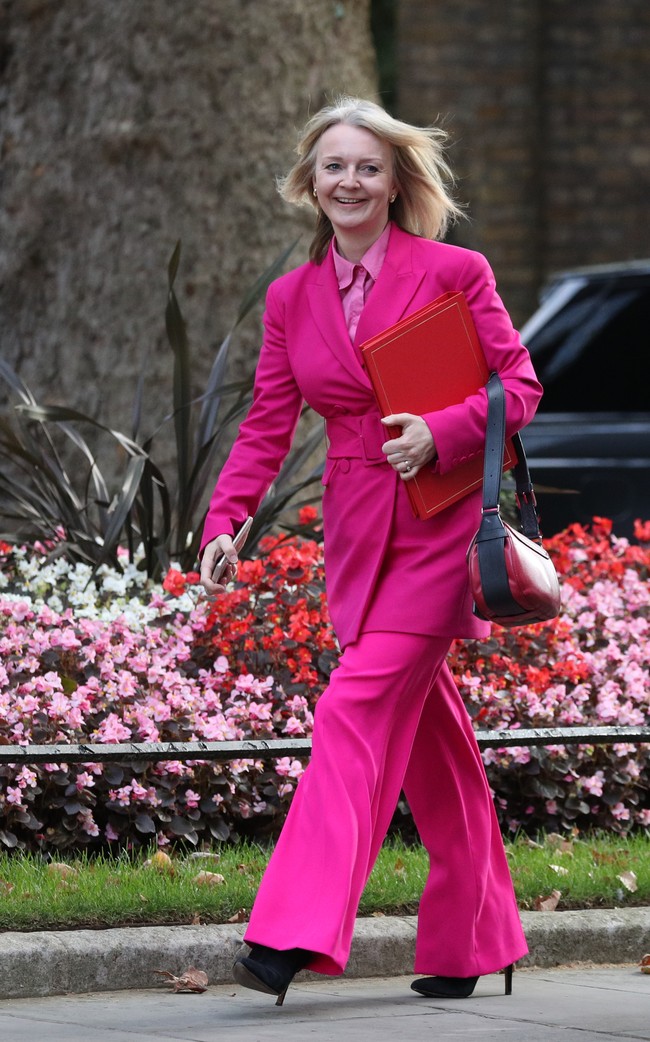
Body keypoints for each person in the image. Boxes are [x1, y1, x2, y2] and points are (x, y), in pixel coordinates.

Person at [199, 96, 542, 1005]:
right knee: (433, 739)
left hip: (440, 523)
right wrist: (226, 522)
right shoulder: (291, 297)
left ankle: (289, 932)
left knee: (352, 713)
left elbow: (519, 384)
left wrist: (441, 430)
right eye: (334, 167)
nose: (349, 181)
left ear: (395, 182)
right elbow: (268, 423)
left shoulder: (454, 271)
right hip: (356, 532)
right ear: (310, 182)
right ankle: (478, 937)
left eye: (367, 167)